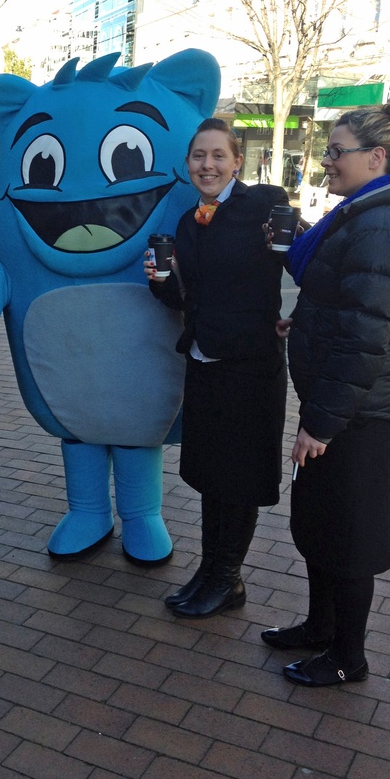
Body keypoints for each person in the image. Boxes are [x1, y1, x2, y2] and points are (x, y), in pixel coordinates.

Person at [261, 99, 390, 687]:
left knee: (350, 537)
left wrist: (323, 424)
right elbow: (346, 307)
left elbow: (366, 339)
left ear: (375, 157)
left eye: (337, 152)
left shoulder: (383, 227)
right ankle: (319, 626)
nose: (327, 161)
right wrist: (303, 323)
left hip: (359, 415)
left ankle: (347, 657)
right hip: (342, 407)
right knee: (323, 526)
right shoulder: (361, 217)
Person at [146, 118, 289, 619]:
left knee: (239, 476)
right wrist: (160, 282)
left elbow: (319, 264)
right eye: (198, 157)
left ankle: (228, 578)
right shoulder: (189, 221)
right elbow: (186, 297)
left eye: (217, 156)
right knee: (211, 474)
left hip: (250, 367)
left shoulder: (264, 209)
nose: (207, 165)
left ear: (236, 162)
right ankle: (211, 570)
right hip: (205, 362)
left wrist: (301, 317)